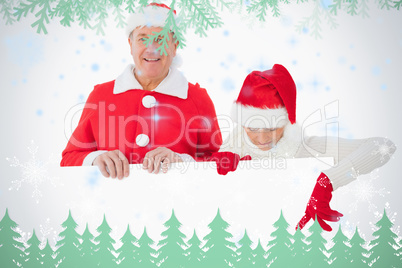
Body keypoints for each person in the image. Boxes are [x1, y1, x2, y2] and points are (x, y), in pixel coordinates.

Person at [216, 64, 396, 231]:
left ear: (286, 122)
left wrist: (327, 182)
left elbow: (383, 146)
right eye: (253, 128)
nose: (262, 138)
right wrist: (208, 164)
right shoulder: (229, 153)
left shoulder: (308, 150)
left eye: (272, 128)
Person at [61, 3, 222, 179]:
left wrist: (181, 161)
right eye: (142, 38)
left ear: (175, 46)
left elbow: (219, 163)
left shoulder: (197, 99)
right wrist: (95, 159)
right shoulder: (101, 96)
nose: (151, 49)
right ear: (131, 45)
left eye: (160, 39)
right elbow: (69, 158)